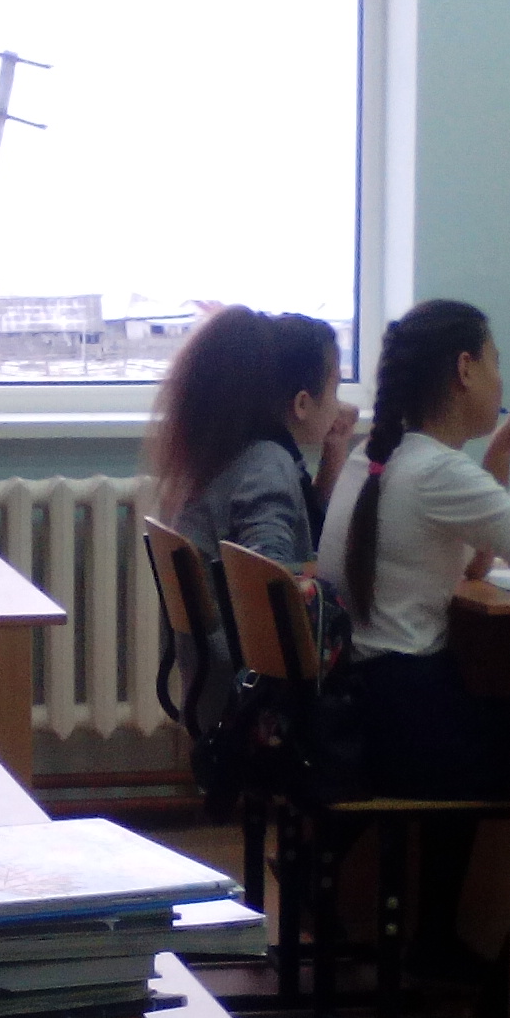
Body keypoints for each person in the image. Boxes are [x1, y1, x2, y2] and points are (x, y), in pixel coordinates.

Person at [314, 300, 510, 1018]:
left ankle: (436, 942)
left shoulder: (381, 457)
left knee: (486, 710)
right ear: (465, 369)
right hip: (408, 725)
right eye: (496, 361)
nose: (503, 379)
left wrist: (500, 459)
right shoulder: (437, 472)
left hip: (365, 709)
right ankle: (501, 1007)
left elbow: (471, 561)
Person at [144, 305, 356, 725]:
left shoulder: (234, 452)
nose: (340, 405)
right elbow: (271, 584)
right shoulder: (266, 464)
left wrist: (334, 453)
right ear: (302, 403)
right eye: (334, 389)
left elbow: (297, 528)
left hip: (215, 685)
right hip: (254, 698)